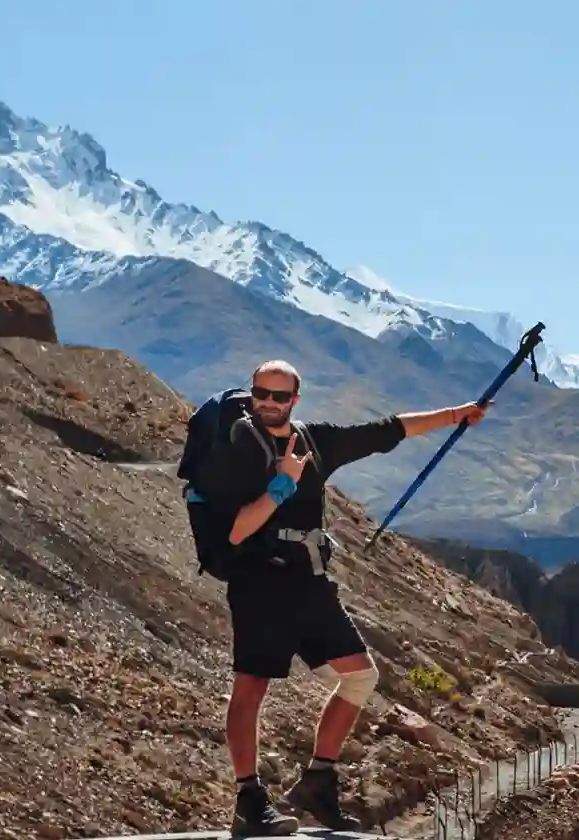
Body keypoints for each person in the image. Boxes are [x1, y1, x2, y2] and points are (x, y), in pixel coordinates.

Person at [202, 358, 490, 837]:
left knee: (360, 676)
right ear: (250, 393)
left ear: (296, 399)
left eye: (280, 396)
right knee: (251, 688)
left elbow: (388, 430)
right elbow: (234, 531)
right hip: (258, 585)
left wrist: (458, 413)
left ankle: (318, 780)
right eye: (261, 394)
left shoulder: (316, 441)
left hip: (310, 584)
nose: (269, 404)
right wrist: (282, 486)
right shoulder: (235, 451)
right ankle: (249, 801)